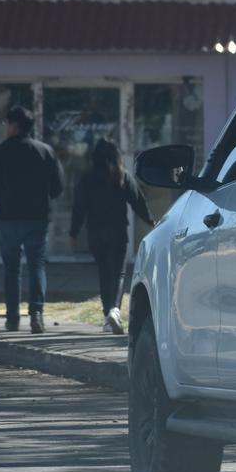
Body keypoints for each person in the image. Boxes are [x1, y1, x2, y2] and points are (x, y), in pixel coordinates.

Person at [0, 104, 64, 334]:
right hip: (37, 218)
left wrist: (2, 194)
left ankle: (12, 318)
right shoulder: (44, 151)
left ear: (14, 125)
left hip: (8, 218)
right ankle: (36, 314)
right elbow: (57, 187)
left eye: (6, 124)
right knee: (37, 265)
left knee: (12, 269)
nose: (5, 127)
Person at [69, 138, 154, 335]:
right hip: (118, 232)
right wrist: (150, 220)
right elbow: (137, 200)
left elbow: (79, 207)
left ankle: (108, 314)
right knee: (119, 274)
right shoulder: (121, 176)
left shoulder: (87, 178)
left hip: (96, 233)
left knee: (104, 274)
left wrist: (73, 232)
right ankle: (114, 311)